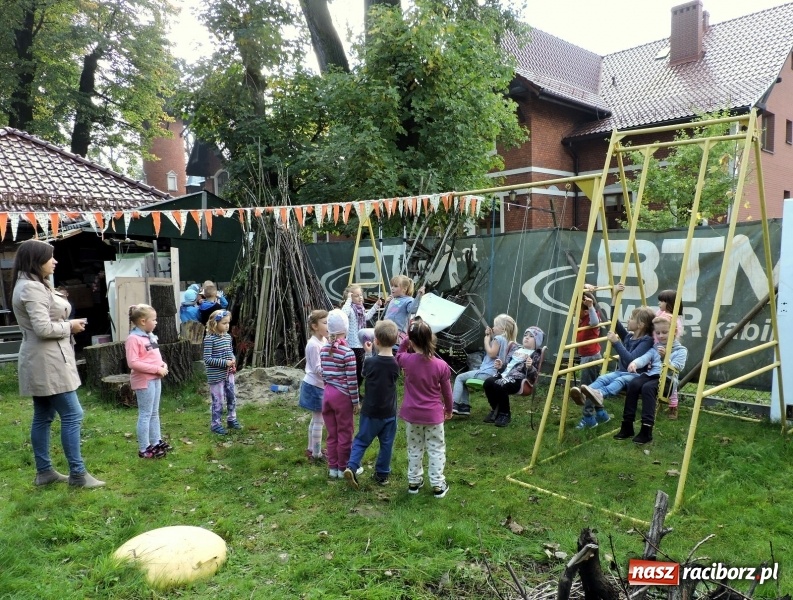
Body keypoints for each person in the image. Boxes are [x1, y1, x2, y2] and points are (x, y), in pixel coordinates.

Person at [11, 239, 105, 488]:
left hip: (43, 358)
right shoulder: (31, 288)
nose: (55, 261)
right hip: (47, 361)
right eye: (50, 257)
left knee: (43, 415)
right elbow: (42, 328)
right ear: (35, 260)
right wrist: (70, 326)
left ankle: (45, 472)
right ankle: (77, 474)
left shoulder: (31, 284)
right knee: (73, 414)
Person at [573, 302, 657, 429]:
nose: (628, 320)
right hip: (621, 371)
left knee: (619, 380)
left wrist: (617, 343)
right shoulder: (629, 337)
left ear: (641, 325)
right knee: (602, 378)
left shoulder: (647, 341)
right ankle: (583, 394)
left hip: (636, 376)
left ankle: (600, 394)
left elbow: (631, 360)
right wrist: (613, 300)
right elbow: (615, 323)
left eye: (631, 318)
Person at [396, 318, 453, 498]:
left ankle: (414, 482)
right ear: (431, 339)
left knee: (415, 448)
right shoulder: (441, 365)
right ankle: (437, 484)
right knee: (436, 448)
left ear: (412, 342)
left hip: (412, 415)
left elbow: (398, 354)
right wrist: (449, 409)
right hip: (434, 416)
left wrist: (406, 339)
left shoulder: (407, 360)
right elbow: (447, 393)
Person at [344, 319, 401, 489]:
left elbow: (364, 373)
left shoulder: (370, 362)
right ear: (396, 340)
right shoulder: (395, 365)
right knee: (387, 444)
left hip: (370, 412)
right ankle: (382, 475)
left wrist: (368, 353)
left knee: (362, 440)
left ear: (375, 341)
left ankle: (352, 466)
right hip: (389, 413)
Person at [614, 314, 688, 444]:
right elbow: (645, 357)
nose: (660, 336)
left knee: (648, 388)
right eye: (658, 333)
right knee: (634, 383)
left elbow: (677, 367)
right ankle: (627, 426)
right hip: (651, 376)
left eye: (664, 332)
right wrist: (635, 363)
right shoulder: (656, 347)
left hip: (667, 381)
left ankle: (646, 430)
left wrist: (666, 358)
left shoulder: (681, 350)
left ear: (675, 332)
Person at [125, 304, 170, 459]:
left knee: (154, 412)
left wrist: (163, 364)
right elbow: (133, 363)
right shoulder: (133, 339)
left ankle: (156, 441)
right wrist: (157, 369)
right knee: (145, 414)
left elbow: (155, 355)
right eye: (154, 319)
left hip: (156, 378)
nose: (156, 322)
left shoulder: (150, 336)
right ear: (143, 321)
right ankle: (144, 448)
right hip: (144, 381)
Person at [451, 314, 518, 417]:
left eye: (495, 325)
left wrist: (486, 341)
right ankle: (464, 407)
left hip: (486, 372)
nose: (493, 327)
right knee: (463, 380)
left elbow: (492, 353)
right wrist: (490, 336)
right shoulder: (505, 340)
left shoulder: (498, 339)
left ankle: (454, 404)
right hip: (494, 373)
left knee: (459, 378)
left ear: (502, 328)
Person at [321, 309, 361, 479]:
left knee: (332, 433)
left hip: (327, 394)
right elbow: (352, 381)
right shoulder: (348, 353)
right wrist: (355, 402)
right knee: (345, 432)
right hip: (342, 396)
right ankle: (344, 466)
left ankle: (333, 468)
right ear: (345, 330)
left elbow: (324, 374)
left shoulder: (323, 350)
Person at [482, 326, 544, 428]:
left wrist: (530, 367)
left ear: (537, 341)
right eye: (525, 335)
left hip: (519, 379)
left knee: (500, 384)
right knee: (488, 383)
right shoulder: (516, 349)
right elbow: (507, 365)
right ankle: (495, 410)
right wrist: (501, 366)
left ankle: (505, 413)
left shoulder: (535, 354)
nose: (527, 338)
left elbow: (534, 375)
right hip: (504, 375)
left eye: (531, 336)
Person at [358, 274, 425, 346]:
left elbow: (413, 310)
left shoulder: (409, 300)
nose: (392, 288)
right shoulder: (393, 299)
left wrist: (418, 297)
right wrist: (387, 304)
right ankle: (372, 352)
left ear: (404, 289)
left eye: (395, 286)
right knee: (362, 333)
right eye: (392, 286)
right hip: (384, 330)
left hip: (397, 332)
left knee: (383, 343)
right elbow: (389, 314)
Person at [298, 309, 328, 463]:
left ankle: (311, 449)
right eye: (325, 323)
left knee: (316, 419)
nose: (328, 325)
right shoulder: (313, 345)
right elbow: (317, 368)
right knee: (318, 420)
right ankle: (316, 454)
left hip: (319, 385)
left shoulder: (324, 341)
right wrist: (332, 373)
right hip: (315, 386)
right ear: (315, 326)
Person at [204, 309, 240, 434]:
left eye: (228, 323)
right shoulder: (210, 339)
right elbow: (207, 359)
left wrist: (233, 359)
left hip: (228, 374)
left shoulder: (228, 337)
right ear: (215, 323)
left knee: (231, 396)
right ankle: (216, 424)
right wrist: (224, 363)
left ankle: (232, 419)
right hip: (216, 376)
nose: (227, 325)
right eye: (224, 323)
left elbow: (230, 352)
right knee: (218, 399)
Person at [341, 285, 381, 385]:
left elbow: (366, 317)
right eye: (356, 296)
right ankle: (355, 388)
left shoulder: (361, 308)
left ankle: (358, 387)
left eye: (361, 295)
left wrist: (376, 306)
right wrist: (349, 300)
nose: (360, 297)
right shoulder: (350, 309)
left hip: (361, 342)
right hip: (353, 344)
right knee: (357, 368)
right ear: (350, 298)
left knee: (362, 367)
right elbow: (343, 314)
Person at [568, 290, 602, 405]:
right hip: (586, 356)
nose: (574, 311)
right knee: (591, 387)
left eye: (577, 308)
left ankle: (588, 415)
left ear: (586, 311)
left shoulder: (592, 317)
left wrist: (590, 306)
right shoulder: (582, 319)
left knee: (587, 388)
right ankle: (601, 413)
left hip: (591, 357)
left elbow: (595, 322)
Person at [656, 288, 684, 419]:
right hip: (658, 344)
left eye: (662, 301)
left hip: (667, 346)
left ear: (670, 303)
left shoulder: (669, 317)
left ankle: (673, 406)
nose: (659, 304)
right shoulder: (661, 313)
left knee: (671, 377)